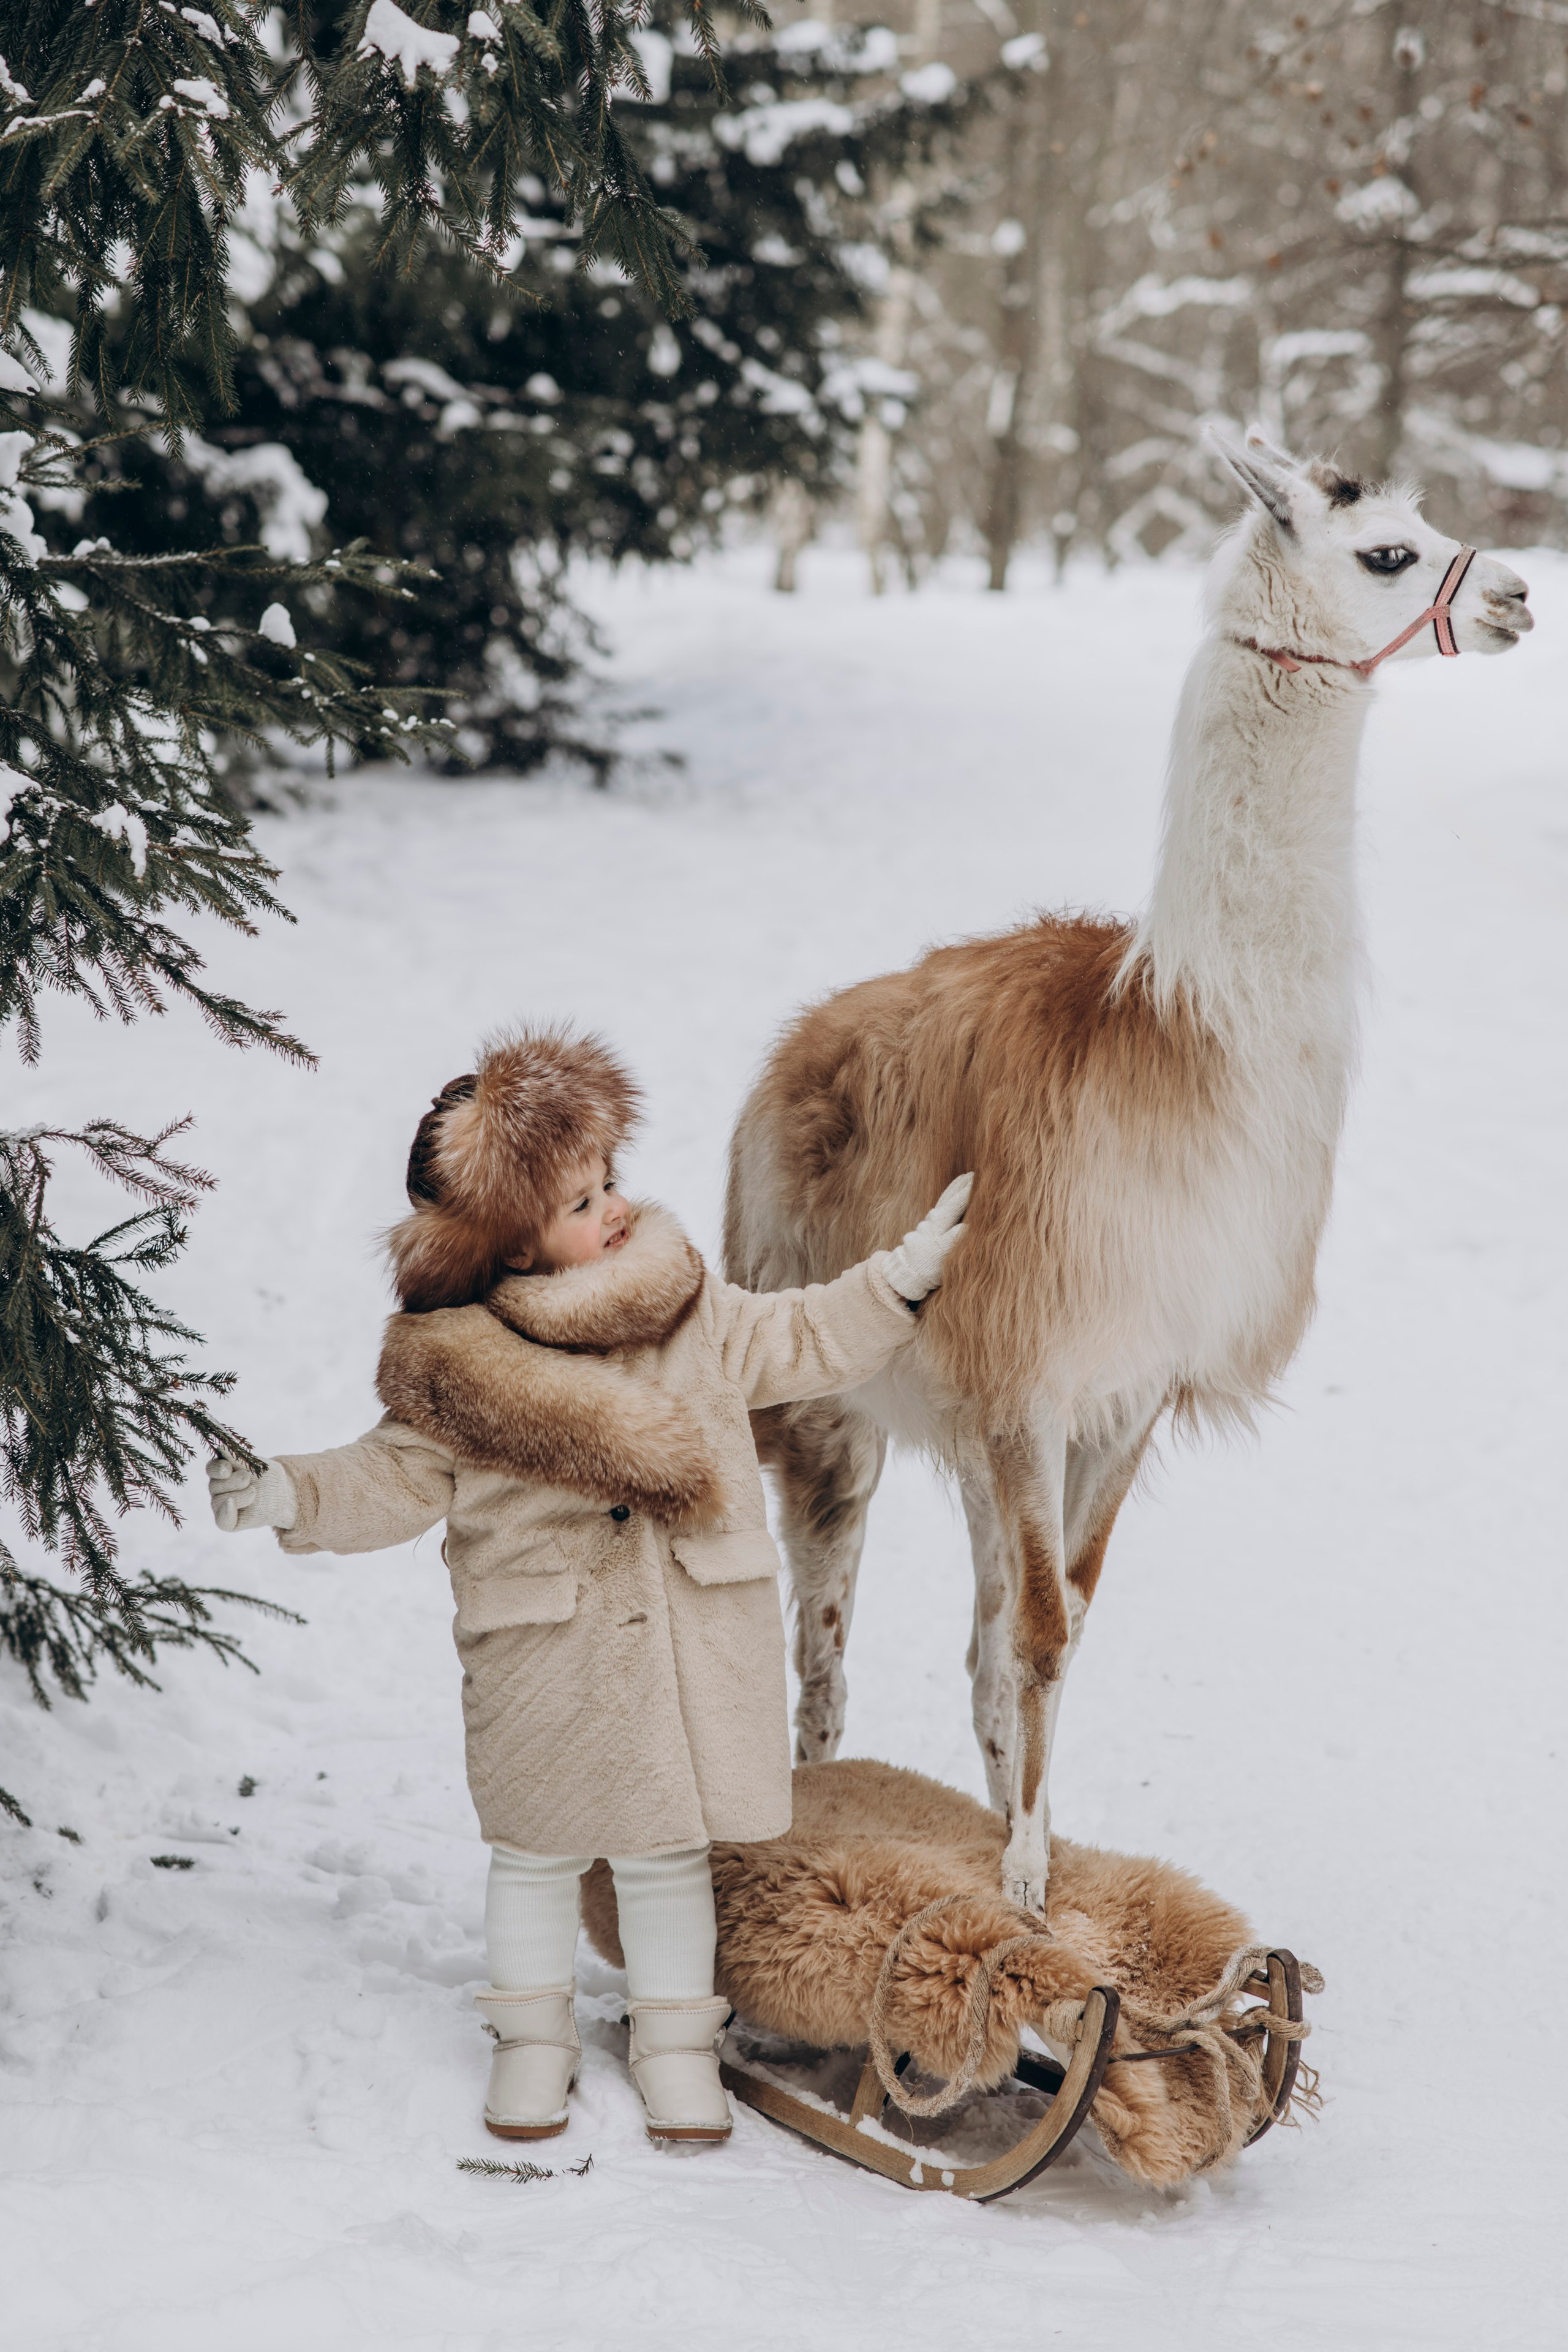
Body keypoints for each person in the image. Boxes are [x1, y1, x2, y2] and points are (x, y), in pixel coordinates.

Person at [208, 1027, 970, 2147]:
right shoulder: (459, 1373)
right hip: (546, 1665)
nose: (613, 1206)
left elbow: (802, 1334)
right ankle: (532, 2038)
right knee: (535, 1857)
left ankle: (674, 2041)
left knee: (667, 1858)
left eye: (609, 1178)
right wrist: (285, 1493)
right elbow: (390, 1478)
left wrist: (898, 1281)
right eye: (577, 1202)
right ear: (508, 1248)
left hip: (684, 1647)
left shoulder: (690, 1313)